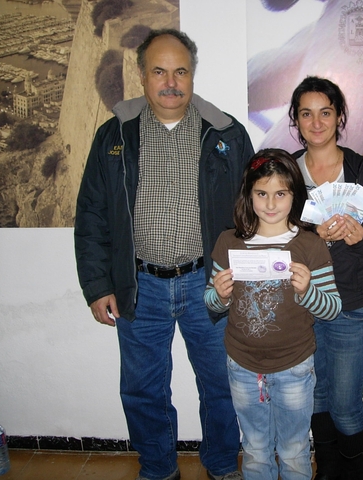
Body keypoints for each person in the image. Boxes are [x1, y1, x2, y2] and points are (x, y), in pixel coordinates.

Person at [74, 29, 254, 480]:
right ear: (141, 75)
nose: (171, 82)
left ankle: (221, 464)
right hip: (138, 287)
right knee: (142, 390)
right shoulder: (113, 135)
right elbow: (92, 214)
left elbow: (252, 210)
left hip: (209, 284)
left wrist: (244, 274)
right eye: (159, 71)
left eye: (180, 72)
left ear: (192, 75)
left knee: (221, 385)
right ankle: (157, 468)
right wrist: (97, 285)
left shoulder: (227, 134)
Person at [204, 148, 342, 480]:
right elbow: (211, 302)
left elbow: (332, 309)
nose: (270, 203)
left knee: (294, 450)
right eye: (261, 193)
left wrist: (307, 291)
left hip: (294, 364)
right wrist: (219, 295)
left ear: (294, 195)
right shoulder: (228, 242)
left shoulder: (310, 244)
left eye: (280, 194)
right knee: (254, 448)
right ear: (248, 195)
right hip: (242, 364)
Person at [288, 76, 363, 479]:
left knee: (346, 404)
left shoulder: (362, 170)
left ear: (339, 117)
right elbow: (269, 234)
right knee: (316, 396)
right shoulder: (286, 172)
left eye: (325, 112)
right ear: (296, 121)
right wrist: (308, 234)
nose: (316, 122)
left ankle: (354, 474)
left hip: (353, 306)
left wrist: (362, 236)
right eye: (306, 114)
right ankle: (327, 468)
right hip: (304, 304)